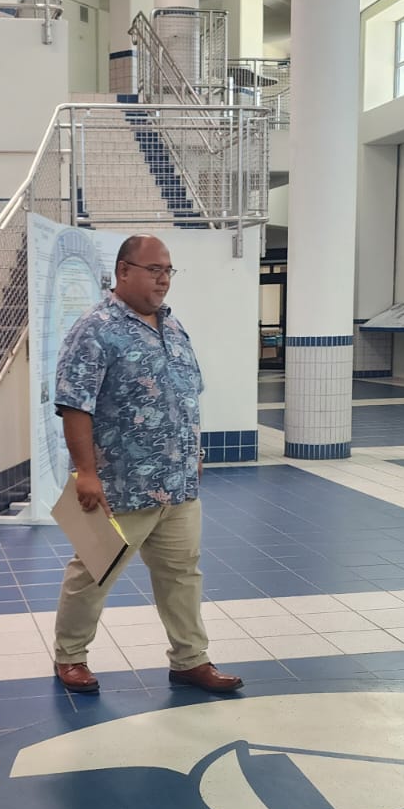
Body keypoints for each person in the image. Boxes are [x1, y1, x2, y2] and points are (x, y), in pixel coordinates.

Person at [51, 234, 242, 696]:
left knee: (182, 575)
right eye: (154, 269)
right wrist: (87, 473)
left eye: (168, 270)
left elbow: (185, 397)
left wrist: (194, 454)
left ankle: (190, 659)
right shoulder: (95, 328)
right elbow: (76, 405)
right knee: (94, 571)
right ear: (123, 272)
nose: (163, 279)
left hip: (177, 486)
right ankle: (70, 656)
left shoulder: (173, 327)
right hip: (120, 486)